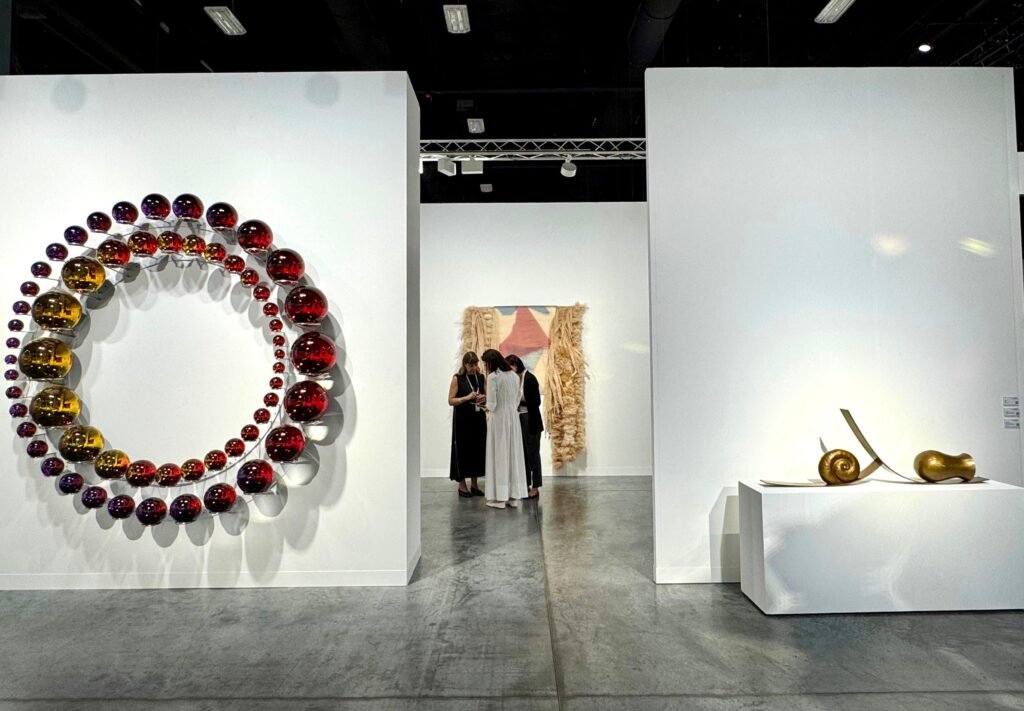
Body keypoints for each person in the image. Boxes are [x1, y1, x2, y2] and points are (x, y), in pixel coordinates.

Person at [479, 349, 528, 509]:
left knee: (499, 455)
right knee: (512, 454)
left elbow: (492, 404)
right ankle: (513, 497)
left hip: (499, 419)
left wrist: (485, 406)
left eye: (486, 363)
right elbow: (517, 399)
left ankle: (499, 499)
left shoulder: (493, 377)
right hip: (513, 419)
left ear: (490, 363)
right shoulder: (514, 376)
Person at [448, 352, 487, 497]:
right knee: (463, 450)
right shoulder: (457, 379)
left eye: (476, 364)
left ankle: (475, 484)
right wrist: (466, 398)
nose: (474, 368)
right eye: (471, 365)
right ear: (465, 365)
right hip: (462, 420)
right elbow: (451, 400)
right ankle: (462, 485)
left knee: (477, 450)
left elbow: (488, 396)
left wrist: (484, 398)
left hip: (478, 418)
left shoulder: (481, 377)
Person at [506, 354, 543, 499]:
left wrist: (520, 403)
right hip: (519, 418)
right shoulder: (515, 379)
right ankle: (525, 484)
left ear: (516, 365)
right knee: (523, 455)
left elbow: (536, 402)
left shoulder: (530, 378)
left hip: (530, 420)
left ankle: (536, 486)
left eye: (510, 368)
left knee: (533, 454)